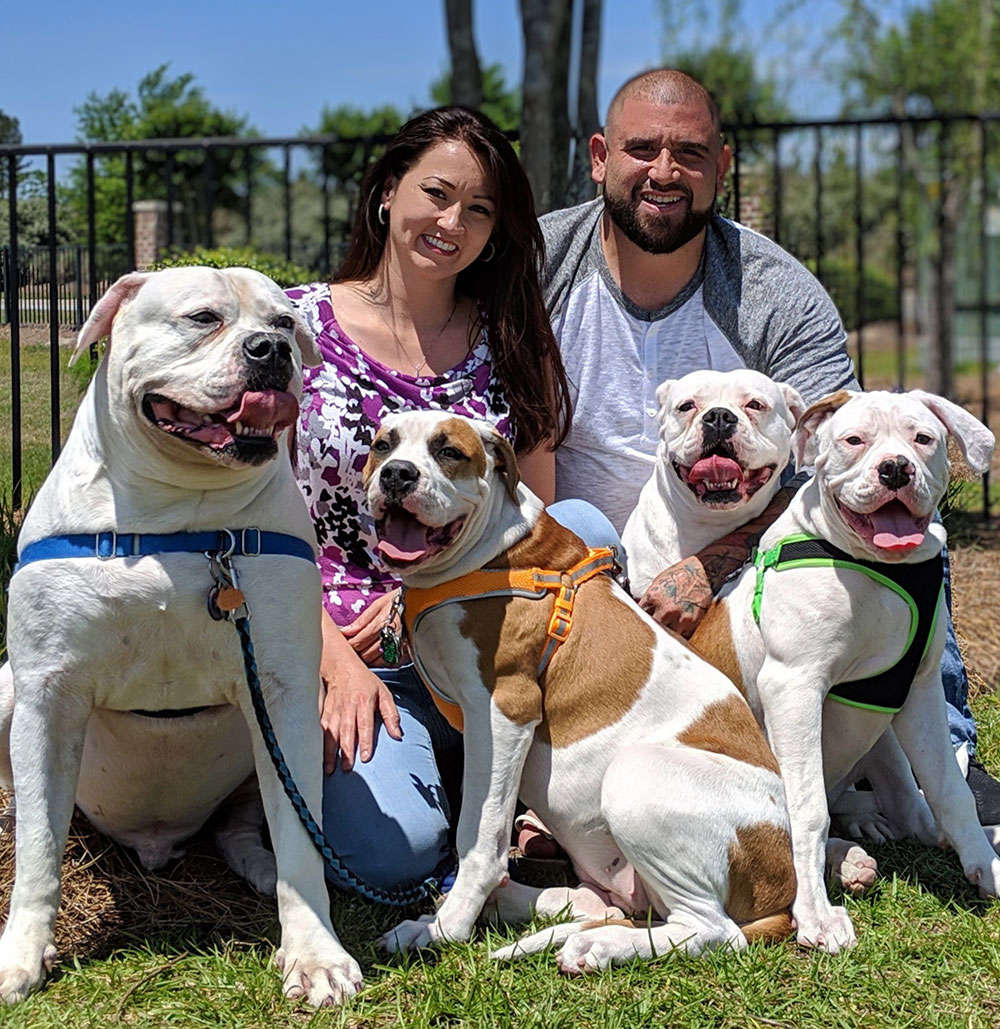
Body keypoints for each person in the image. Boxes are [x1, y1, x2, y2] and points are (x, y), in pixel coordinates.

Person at [539, 68, 1000, 824]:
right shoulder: (543, 269)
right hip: (594, 562)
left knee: (896, 518)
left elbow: (843, 460)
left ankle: (941, 758)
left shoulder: (774, 290)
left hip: (759, 549)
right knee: (580, 531)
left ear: (722, 167)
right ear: (598, 157)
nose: (664, 172)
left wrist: (714, 561)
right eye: (641, 149)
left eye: (689, 153)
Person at [286, 106, 615, 897]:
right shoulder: (297, 325)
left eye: (478, 210)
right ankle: (458, 788)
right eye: (434, 193)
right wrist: (328, 654)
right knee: (393, 854)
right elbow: (249, 513)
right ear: (387, 191)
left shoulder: (510, 337)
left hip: (479, 626)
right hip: (341, 647)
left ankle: (535, 787)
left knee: (586, 527)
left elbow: (535, 520)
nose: (450, 222)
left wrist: (419, 598)